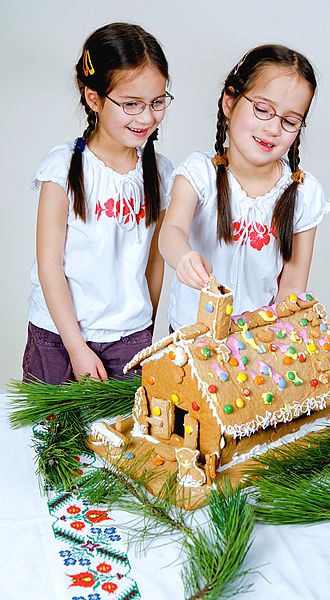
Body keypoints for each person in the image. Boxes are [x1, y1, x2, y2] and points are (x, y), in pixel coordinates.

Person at [22, 22, 174, 384]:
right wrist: (76, 347)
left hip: (128, 338)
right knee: (48, 436)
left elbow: (155, 261)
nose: (147, 116)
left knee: (119, 437)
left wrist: (144, 328)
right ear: (94, 98)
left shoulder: (162, 173)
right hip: (57, 337)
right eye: (131, 104)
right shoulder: (61, 168)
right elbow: (50, 266)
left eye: (157, 102)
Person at [159, 44, 330, 332]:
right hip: (192, 333)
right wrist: (183, 257)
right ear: (229, 102)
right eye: (263, 109)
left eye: (290, 121)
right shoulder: (199, 172)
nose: (273, 129)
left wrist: (276, 341)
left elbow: (292, 285)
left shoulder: (303, 193)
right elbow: (171, 231)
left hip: (256, 342)